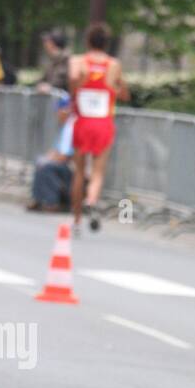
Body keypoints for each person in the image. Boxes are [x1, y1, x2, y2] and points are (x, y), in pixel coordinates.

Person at [68, 21, 129, 231]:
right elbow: (124, 93)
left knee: (78, 171)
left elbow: (73, 82)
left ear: (87, 40)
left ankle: (76, 219)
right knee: (98, 172)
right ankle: (91, 201)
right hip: (103, 123)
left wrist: (81, 83)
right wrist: (115, 88)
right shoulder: (113, 65)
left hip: (82, 122)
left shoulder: (78, 61)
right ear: (107, 43)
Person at [26, 90, 74, 212]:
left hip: (72, 168)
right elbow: (56, 150)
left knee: (47, 167)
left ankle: (51, 201)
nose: (57, 113)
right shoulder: (65, 127)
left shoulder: (71, 127)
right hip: (64, 164)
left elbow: (64, 156)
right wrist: (45, 159)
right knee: (41, 162)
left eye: (59, 110)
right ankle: (37, 199)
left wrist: (48, 161)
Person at [37, 29, 70, 93]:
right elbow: (43, 79)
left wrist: (50, 86)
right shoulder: (53, 60)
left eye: (46, 42)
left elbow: (63, 81)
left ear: (52, 44)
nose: (44, 44)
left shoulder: (67, 60)